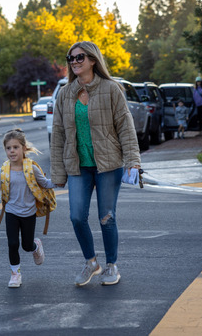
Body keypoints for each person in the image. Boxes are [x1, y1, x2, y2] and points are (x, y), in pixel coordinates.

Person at [50, 41, 141, 287]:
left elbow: (126, 127)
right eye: (71, 58)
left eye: (80, 57)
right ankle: (91, 262)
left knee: (106, 217)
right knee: (77, 217)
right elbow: (57, 135)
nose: (75, 62)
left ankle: (112, 265)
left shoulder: (112, 89)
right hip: (79, 166)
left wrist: (133, 160)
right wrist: (58, 171)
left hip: (108, 164)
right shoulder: (65, 93)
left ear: (92, 60)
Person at [0, 129, 56, 288]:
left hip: (29, 213)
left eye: (15, 147)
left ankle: (36, 246)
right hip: (11, 213)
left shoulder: (31, 168)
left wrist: (60, 180)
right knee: (12, 244)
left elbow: (45, 183)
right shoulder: (3, 171)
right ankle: (15, 274)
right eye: (8, 148)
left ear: (23, 148)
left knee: (26, 246)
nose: (12, 151)